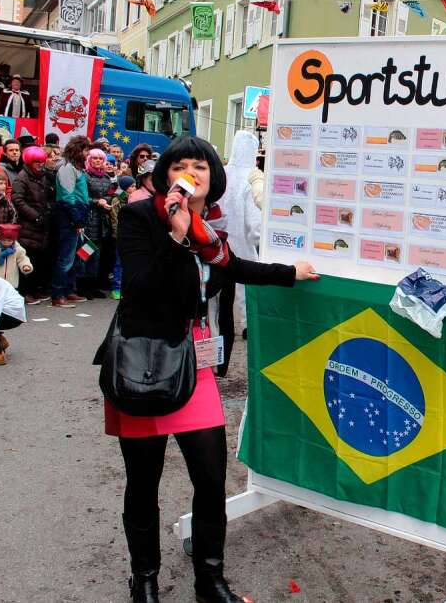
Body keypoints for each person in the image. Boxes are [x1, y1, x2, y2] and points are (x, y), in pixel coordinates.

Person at [105, 136, 319, 603]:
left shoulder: (212, 232)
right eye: (180, 165)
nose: (191, 172)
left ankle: (210, 580)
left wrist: (290, 272)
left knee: (209, 478)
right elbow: (139, 288)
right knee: (143, 482)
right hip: (145, 362)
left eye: (200, 166)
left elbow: (235, 267)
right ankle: (144, 580)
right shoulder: (142, 216)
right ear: (166, 175)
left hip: (195, 364)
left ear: (212, 177)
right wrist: (174, 235)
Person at [219, 131, 262, 340]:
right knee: (246, 283)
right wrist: (258, 238)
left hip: (217, 236)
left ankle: (214, 325)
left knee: (217, 284)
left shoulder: (221, 173)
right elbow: (254, 222)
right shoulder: (252, 177)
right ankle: (248, 323)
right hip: (243, 240)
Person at [11, 146, 55, 305]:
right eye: (36, 162)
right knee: (27, 259)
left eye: (41, 161)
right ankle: (24, 291)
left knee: (39, 259)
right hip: (29, 224)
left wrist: (48, 209)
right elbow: (18, 200)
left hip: (42, 223)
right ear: (29, 162)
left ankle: (35, 288)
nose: (40, 164)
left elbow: (48, 197)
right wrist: (35, 216)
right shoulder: (22, 177)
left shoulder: (42, 176)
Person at [51, 136, 90, 309]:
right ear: (78, 150)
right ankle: (58, 293)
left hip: (79, 213)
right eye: (86, 150)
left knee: (79, 255)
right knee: (66, 257)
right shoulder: (67, 168)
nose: (87, 153)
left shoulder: (77, 168)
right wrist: (77, 219)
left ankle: (68, 289)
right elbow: (68, 196)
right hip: (70, 215)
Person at [78, 148, 113, 299]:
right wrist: (97, 201)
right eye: (94, 158)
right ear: (89, 160)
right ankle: (81, 286)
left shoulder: (106, 177)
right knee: (85, 253)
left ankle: (92, 285)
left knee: (97, 255)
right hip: (88, 219)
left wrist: (107, 201)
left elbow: (110, 195)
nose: (98, 161)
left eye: (100, 158)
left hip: (102, 221)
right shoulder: (85, 176)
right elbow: (82, 197)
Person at [0, 223, 32, 288]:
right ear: (0, 237)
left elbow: (22, 259)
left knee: (9, 296)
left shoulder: (18, 249)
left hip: (11, 281)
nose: (6, 242)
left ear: (14, 240)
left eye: (9, 240)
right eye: (3, 240)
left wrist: (25, 265)